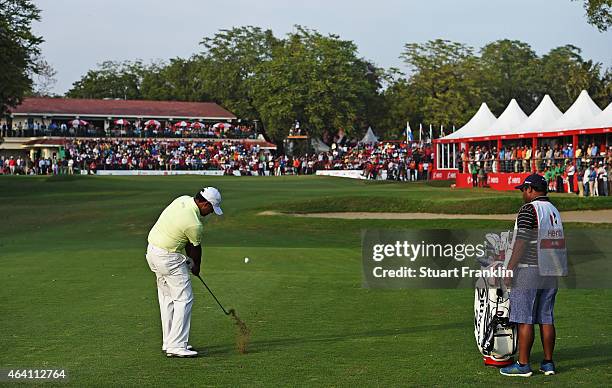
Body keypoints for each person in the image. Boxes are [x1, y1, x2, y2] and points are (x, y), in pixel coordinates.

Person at [145, 187, 223, 358]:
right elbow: (195, 249)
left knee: (167, 298)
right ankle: (177, 345)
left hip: (152, 252)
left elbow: (186, 239)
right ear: (205, 203)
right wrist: (196, 266)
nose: (210, 213)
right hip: (168, 258)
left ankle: (169, 342)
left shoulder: (182, 199)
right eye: (211, 209)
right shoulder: (195, 224)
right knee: (184, 299)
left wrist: (190, 262)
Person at [500, 174, 565, 377]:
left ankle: (523, 364)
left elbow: (521, 242)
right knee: (546, 317)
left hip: (530, 267)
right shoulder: (554, 209)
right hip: (551, 268)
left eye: (523, 190)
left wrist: (510, 268)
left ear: (530, 189)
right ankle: (548, 363)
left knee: (524, 317)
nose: (522, 194)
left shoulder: (529, 209)